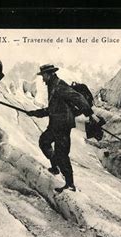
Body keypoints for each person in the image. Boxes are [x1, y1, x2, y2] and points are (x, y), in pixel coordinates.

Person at [27, 64, 97, 193]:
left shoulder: (59, 86)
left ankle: (70, 184)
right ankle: (55, 167)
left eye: (43, 75)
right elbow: (53, 108)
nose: (42, 78)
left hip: (63, 125)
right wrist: (35, 113)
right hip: (55, 123)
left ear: (50, 74)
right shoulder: (52, 86)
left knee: (62, 154)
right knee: (44, 142)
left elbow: (78, 98)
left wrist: (90, 114)